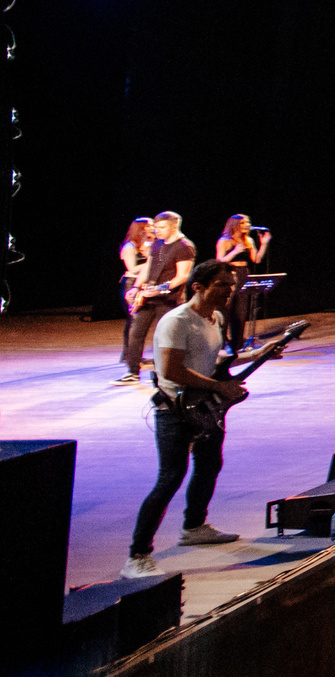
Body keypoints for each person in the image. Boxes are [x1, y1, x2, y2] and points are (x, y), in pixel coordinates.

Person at [126, 262, 247, 578]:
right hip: (175, 409)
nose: (229, 290)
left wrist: (258, 355)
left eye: (231, 284)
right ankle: (137, 555)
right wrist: (219, 387)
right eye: (222, 284)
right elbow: (171, 370)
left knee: (209, 465)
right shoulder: (176, 321)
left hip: (204, 407)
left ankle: (194, 527)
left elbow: (211, 361)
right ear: (198, 287)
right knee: (170, 477)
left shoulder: (216, 318)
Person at [119, 210, 194, 384]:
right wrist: (136, 287)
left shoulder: (184, 246)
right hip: (148, 297)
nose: (156, 231)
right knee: (136, 333)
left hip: (169, 299)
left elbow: (182, 276)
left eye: (161, 227)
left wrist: (159, 289)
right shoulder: (158, 243)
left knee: (164, 338)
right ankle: (132, 372)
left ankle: (165, 374)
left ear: (174, 227)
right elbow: (148, 266)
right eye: (156, 227)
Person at [212, 214, 271, 353]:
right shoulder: (224, 240)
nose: (247, 225)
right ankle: (220, 346)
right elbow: (219, 261)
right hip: (229, 274)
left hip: (243, 274)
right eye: (243, 223)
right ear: (234, 224)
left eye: (248, 222)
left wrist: (264, 244)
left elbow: (256, 259)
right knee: (225, 311)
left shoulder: (248, 240)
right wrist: (234, 252)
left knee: (240, 312)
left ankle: (236, 346)